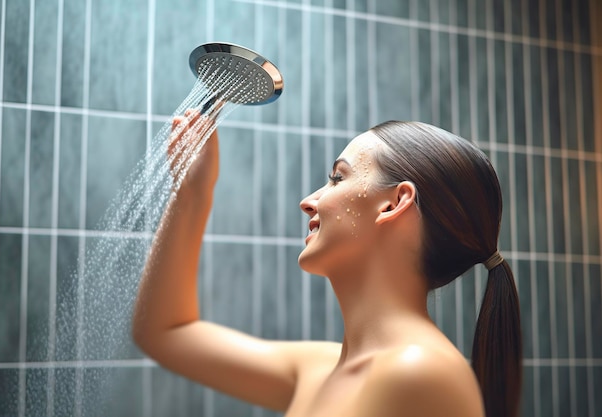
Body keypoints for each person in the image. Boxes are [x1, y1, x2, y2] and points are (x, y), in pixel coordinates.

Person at [132, 110, 522, 417]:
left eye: (338, 178)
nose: (308, 200)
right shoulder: (322, 370)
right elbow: (164, 332)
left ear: (394, 203)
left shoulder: (420, 374)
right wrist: (192, 194)